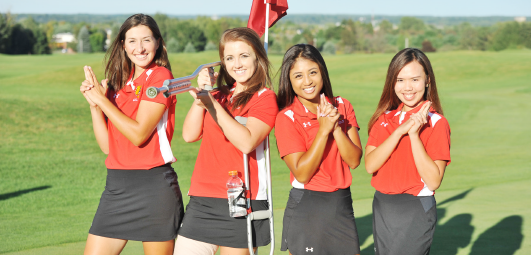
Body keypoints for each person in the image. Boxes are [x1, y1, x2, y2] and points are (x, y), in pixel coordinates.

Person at [79, 14, 183, 255]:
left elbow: (139, 134)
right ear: (123, 45)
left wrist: (103, 103)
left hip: (154, 187)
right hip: (116, 187)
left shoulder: (161, 77)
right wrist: (96, 105)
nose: (140, 48)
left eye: (146, 40)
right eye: (132, 41)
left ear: (158, 42)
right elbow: (107, 146)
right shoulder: (119, 82)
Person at [174, 27, 277, 255]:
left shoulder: (265, 98)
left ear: (258, 57)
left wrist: (212, 105)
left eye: (244, 56)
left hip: (242, 201)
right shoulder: (218, 95)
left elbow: (247, 142)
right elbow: (189, 135)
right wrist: (202, 99)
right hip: (202, 200)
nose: (237, 64)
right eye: (229, 58)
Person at [274, 44, 363, 255]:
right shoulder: (287, 117)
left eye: (312, 72)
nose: (307, 81)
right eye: (298, 76)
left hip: (341, 204)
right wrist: (323, 131)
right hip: (308, 206)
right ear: (289, 80)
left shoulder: (342, 105)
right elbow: (302, 173)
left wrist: (336, 129)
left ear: (322, 71)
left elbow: (354, 160)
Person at [364, 48, 451, 255]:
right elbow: (370, 165)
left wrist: (413, 135)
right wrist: (398, 132)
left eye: (415, 79)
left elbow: (433, 181)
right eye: (400, 80)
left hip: (415, 207)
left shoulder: (437, 122)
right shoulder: (383, 119)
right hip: (382, 205)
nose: (407, 87)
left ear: (427, 80)